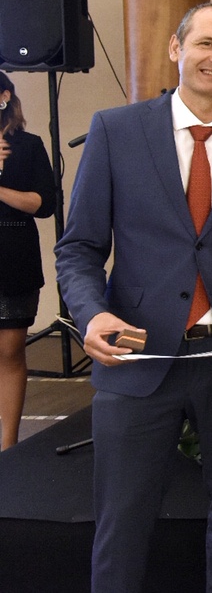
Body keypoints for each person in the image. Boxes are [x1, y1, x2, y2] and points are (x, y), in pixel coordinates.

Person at [55, 2, 212, 593]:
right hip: (136, 361)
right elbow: (78, 248)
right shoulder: (116, 130)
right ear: (176, 48)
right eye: (206, 44)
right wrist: (91, 313)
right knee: (122, 523)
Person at [0, 71, 56, 451]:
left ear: (4, 96)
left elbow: (44, 204)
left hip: (13, 257)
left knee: (9, 351)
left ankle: (9, 446)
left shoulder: (29, 145)